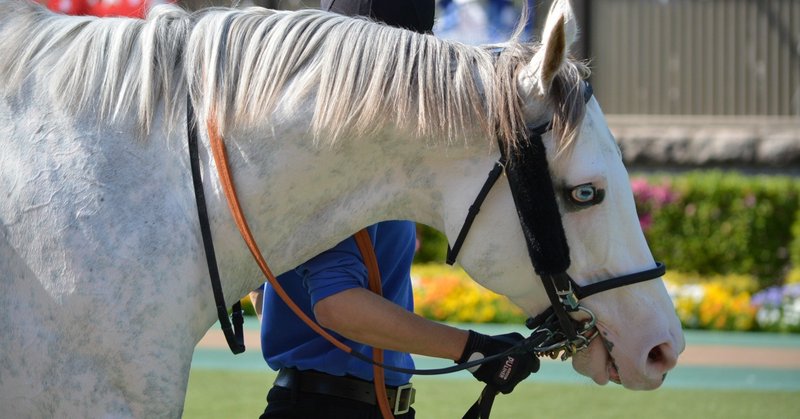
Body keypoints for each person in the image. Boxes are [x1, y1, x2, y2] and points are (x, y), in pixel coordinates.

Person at [250, 3, 538, 418]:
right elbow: (337, 305)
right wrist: (474, 349)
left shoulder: (346, 150)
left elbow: (267, 291)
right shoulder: (340, 156)